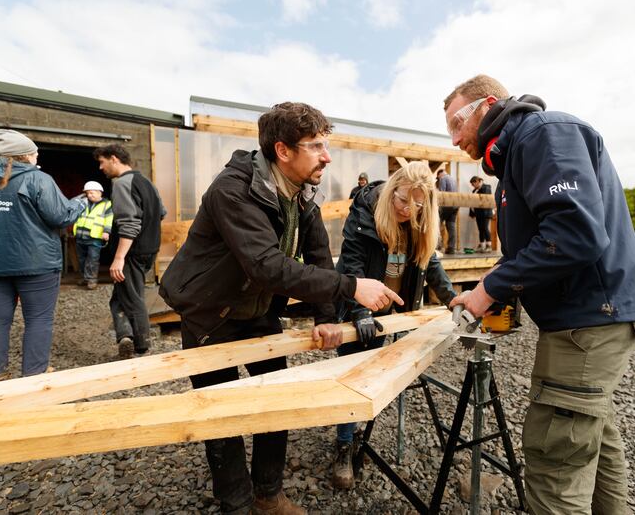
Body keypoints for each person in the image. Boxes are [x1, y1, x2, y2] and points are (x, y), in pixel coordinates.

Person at [158, 102, 402, 515]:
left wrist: (327, 318)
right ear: (282, 150)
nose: (327, 156)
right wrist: (352, 286)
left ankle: (268, 496)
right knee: (221, 416)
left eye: (327, 144)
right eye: (316, 146)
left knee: (277, 403)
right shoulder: (232, 190)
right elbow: (267, 266)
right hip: (209, 314)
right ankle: (235, 503)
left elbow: (319, 257)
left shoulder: (302, 194)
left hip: (258, 313)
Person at [444, 75, 635, 514]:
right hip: (588, 317)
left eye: (455, 124)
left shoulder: (542, 134)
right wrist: (488, 287)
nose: (454, 140)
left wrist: (491, 289)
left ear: (487, 105)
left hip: (587, 322)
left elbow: (575, 235)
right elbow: (537, 246)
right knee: (595, 435)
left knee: (555, 460)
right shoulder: (515, 160)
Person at [331, 161, 456, 489]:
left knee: (373, 373)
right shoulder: (365, 212)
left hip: (390, 312)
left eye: (417, 205)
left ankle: (356, 430)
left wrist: (452, 299)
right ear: (392, 190)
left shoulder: (418, 218)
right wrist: (359, 311)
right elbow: (353, 263)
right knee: (352, 374)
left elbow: (431, 264)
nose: (408, 209)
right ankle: (344, 443)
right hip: (360, 307)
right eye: (403, 201)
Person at [0, 129, 85, 382]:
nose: (37, 155)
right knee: (38, 319)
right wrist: (79, 204)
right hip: (36, 264)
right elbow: (61, 216)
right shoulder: (38, 180)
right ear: (26, 155)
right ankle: (34, 376)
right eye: (34, 151)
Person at [94, 144, 165, 360]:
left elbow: (130, 224)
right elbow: (161, 212)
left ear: (114, 159)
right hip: (148, 250)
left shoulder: (122, 184)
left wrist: (118, 257)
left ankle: (142, 348)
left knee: (133, 298)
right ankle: (125, 336)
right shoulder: (146, 182)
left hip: (131, 252)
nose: (100, 168)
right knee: (118, 298)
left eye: (102, 162)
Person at [72, 181, 113, 289]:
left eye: (92, 192)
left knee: (92, 259)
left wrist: (106, 232)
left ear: (100, 192)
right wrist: (82, 196)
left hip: (94, 237)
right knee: (81, 260)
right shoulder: (83, 202)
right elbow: (72, 205)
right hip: (80, 236)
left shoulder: (107, 204)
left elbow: (109, 219)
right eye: (87, 193)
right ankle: (84, 277)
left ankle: (91, 280)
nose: (89, 195)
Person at [435, 168, 458, 254]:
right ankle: (451, 248)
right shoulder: (453, 180)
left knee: (437, 224)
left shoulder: (443, 178)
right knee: (451, 226)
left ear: (440, 174)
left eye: (438, 177)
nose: (438, 179)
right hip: (455, 205)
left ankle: (437, 246)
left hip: (446, 205)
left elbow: (442, 193)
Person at [468, 175, 493, 253]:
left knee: (485, 228)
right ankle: (482, 245)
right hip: (478, 213)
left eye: (473, 184)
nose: (473, 186)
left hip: (485, 213)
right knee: (480, 229)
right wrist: (472, 213)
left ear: (477, 181)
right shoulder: (474, 190)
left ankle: (489, 245)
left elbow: (485, 199)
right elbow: (472, 202)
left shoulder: (486, 187)